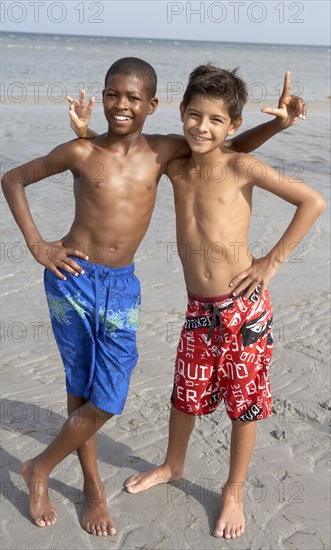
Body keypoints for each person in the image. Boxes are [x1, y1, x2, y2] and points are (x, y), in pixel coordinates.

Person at [1, 57, 307, 537]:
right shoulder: (115, 154)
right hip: (87, 281)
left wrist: (278, 128)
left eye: (133, 98)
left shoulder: (174, 152)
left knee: (135, 397)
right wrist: (38, 243)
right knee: (96, 387)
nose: (122, 105)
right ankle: (107, 481)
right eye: (113, 95)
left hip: (159, 292)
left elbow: (229, 153)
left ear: (154, 105)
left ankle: (42, 467)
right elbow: (15, 177)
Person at [121, 64, 325, 539]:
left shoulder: (241, 166)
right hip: (197, 307)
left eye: (216, 120)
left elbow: (312, 201)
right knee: (184, 394)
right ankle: (173, 464)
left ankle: (233, 490)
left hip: (243, 308)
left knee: (244, 404)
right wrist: (86, 132)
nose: (201, 127)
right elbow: (134, 152)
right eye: (194, 115)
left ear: (232, 125)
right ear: (181, 112)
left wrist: (270, 262)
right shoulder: (175, 165)